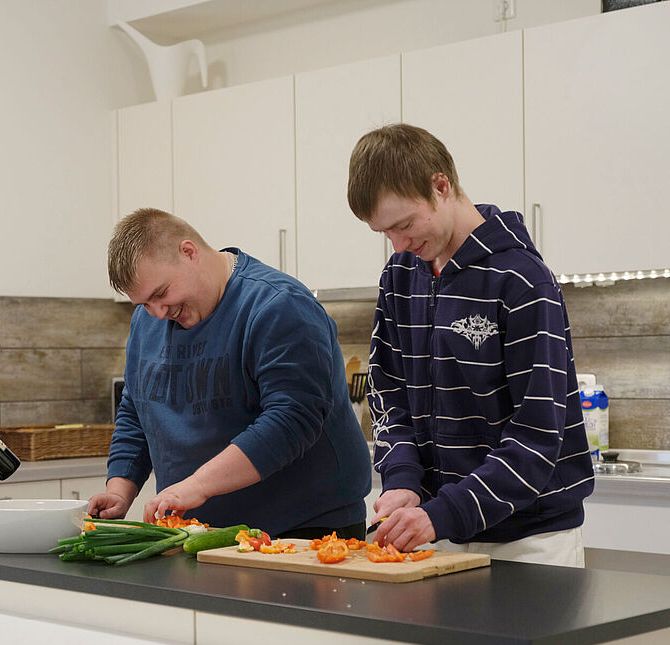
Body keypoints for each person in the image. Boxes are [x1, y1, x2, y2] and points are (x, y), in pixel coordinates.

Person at [347, 123, 593, 566]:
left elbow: (537, 438)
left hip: (528, 542)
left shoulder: (521, 281)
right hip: (436, 532)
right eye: (385, 233)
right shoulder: (401, 277)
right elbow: (389, 397)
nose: (398, 244)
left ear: (440, 185)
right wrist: (401, 479)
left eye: (403, 224)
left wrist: (442, 514)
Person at [88, 208, 372, 539]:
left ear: (189, 252)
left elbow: (291, 420)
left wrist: (197, 486)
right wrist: (120, 490)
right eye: (144, 304)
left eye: (161, 294)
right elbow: (138, 411)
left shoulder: (279, 306)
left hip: (304, 533)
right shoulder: (149, 320)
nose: (158, 313)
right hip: (197, 534)